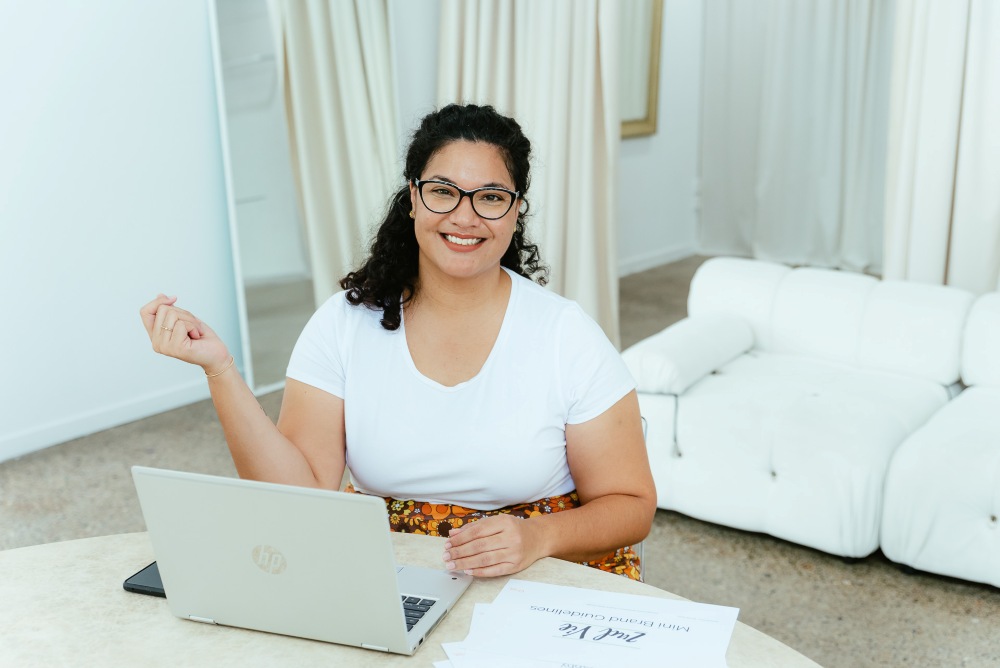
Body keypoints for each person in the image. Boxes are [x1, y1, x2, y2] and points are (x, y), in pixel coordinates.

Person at [140, 103, 656, 580]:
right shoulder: (343, 324)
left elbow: (631, 503)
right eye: (442, 191)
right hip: (395, 570)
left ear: (516, 210)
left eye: (491, 198)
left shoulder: (566, 334)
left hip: (538, 567)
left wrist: (539, 537)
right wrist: (219, 367)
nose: (464, 216)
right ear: (413, 198)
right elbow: (299, 495)